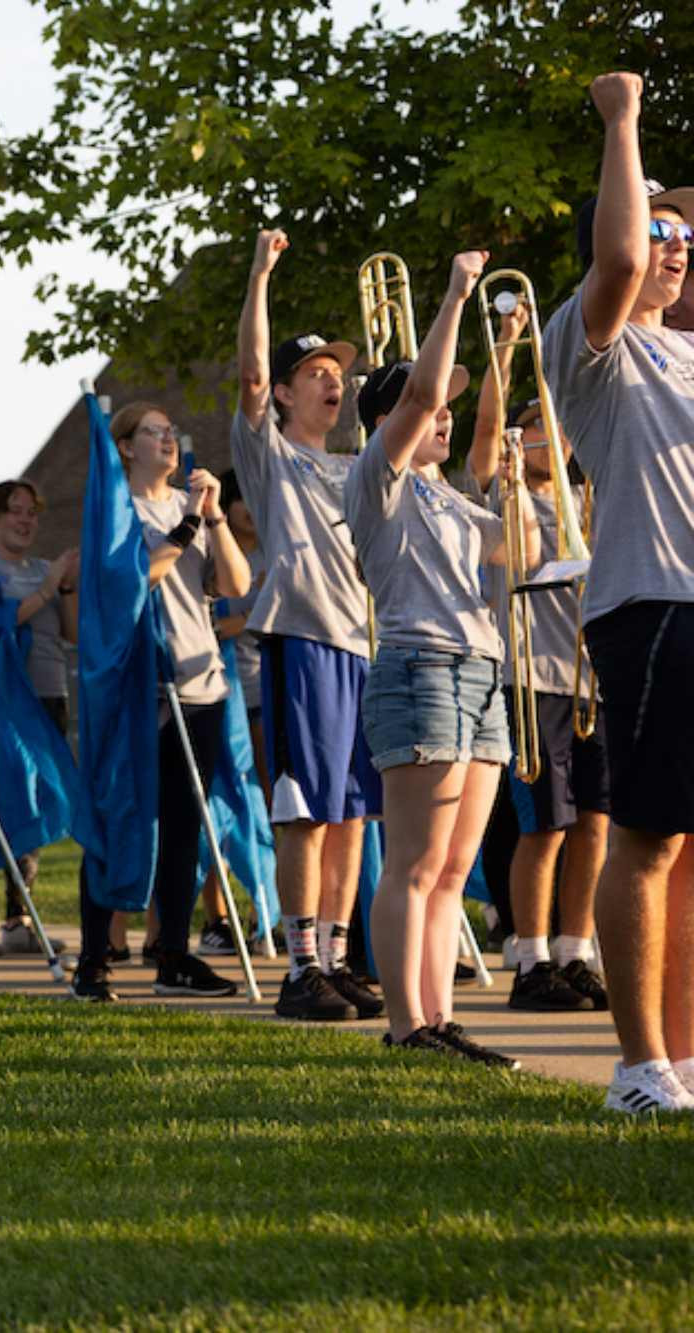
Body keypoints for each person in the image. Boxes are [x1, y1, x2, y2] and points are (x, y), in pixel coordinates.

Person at [546, 72, 694, 1113]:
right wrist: (621, 123)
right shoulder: (591, 346)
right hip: (648, 609)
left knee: (687, 850)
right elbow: (614, 257)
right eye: (659, 228)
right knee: (641, 838)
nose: (670, 249)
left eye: (684, 239)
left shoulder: (686, 353)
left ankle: (680, 1060)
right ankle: (635, 1068)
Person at [346, 249, 529, 1069]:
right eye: (429, 410)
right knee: (413, 863)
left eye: (454, 408)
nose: (442, 416)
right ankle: (404, 1026)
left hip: (479, 670)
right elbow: (420, 392)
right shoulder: (376, 477)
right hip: (420, 666)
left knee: (452, 868)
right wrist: (455, 294)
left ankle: (439, 1021)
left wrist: (519, 482)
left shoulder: (450, 495)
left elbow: (513, 551)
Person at [230, 228, 385, 1022]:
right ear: (286, 394)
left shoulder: (357, 464)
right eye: (317, 374)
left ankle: (335, 956)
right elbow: (251, 371)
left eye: (340, 374)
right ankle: (297, 969)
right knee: (305, 807)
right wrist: (261, 275)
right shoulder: (269, 453)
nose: (335, 384)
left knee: (354, 811)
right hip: (303, 639)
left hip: (364, 646)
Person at [70, 404, 252, 1002]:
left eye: (171, 429)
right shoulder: (115, 510)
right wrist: (180, 536)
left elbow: (235, 586)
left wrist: (214, 518)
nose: (168, 438)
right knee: (121, 815)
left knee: (185, 826)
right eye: (154, 431)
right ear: (125, 447)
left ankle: (172, 952)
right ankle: (95, 958)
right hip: (142, 691)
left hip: (201, 687)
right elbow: (126, 584)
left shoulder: (188, 506)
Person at [465, 317, 609, 1015]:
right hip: (530, 676)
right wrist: (506, 346)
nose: (544, 437)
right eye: (533, 427)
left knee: (595, 823)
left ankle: (577, 949)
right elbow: (487, 429)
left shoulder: (589, 499)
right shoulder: (506, 491)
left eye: (553, 427)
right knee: (543, 825)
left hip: (589, 678)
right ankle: (530, 955)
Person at [0, 479, 77, 961]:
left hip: (50, 694)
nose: (26, 521)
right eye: (15, 512)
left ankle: (18, 919)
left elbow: (69, 633)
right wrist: (48, 589)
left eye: (31, 513)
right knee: (3, 807)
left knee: (40, 804)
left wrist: (64, 587)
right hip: (4, 704)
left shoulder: (46, 569)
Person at [196, 470, 271, 954]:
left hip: (270, 695)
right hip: (224, 696)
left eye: (253, 497)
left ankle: (269, 910)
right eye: (239, 497)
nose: (248, 507)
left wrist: (244, 618)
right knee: (218, 808)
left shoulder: (276, 552)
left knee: (268, 809)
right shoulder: (211, 548)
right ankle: (216, 917)